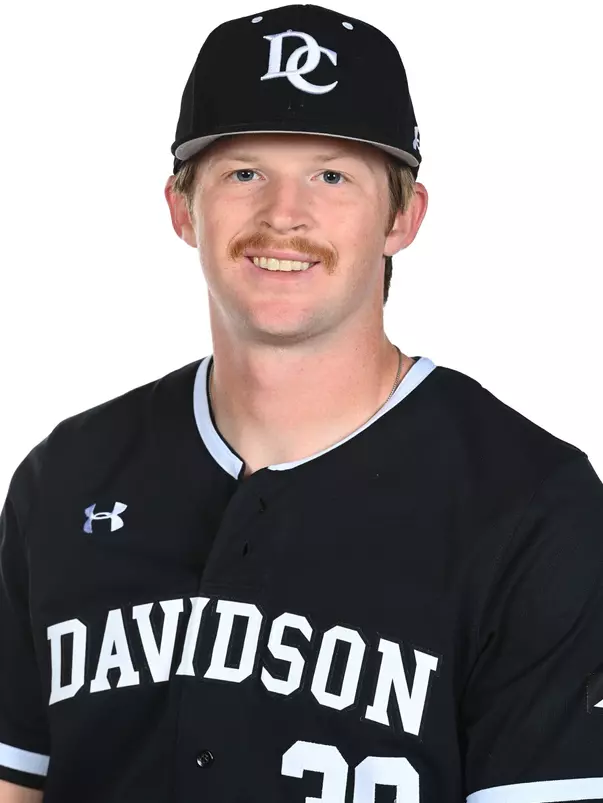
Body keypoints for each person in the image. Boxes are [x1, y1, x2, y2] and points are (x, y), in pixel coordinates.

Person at [1, 4, 603, 802]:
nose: (283, 215)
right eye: (244, 171)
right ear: (183, 209)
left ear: (403, 217)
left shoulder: (532, 505)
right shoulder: (66, 475)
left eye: (331, 175)